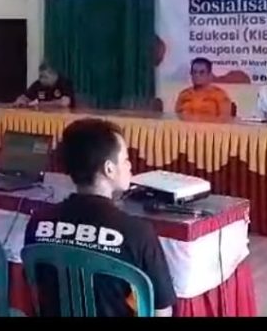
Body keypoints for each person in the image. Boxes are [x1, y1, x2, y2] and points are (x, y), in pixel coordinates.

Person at [24, 118, 176, 317]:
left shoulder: (37, 222)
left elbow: (35, 285)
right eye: (125, 159)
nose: (130, 165)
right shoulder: (137, 232)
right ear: (109, 169)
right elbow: (161, 310)